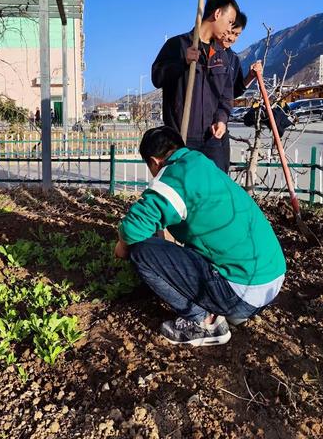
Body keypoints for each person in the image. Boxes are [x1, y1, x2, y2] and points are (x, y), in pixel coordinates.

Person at [115, 126, 286, 346]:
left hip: (242, 292)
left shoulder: (174, 178)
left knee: (142, 252)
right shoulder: (200, 163)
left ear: (154, 161)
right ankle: (230, 308)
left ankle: (204, 322)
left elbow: (132, 228)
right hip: (268, 281)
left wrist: (122, 246)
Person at [152, 0, 239, 174]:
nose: (230, 28)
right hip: (181, 139)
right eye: (230, 21)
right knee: (184, 191)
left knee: (214, 191)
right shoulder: (177, 45)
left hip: (212, 139)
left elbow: (226, 97)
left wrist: (222, 120)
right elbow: (157, 77)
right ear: (217, 14)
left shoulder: (223, 56)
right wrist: (182, 62)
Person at [219, 11, 262, 99]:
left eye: (236, 34)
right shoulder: (203, 51)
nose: (231, 38)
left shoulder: (233, 59)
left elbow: (234, 92)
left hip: (221, 112)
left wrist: (250, 76)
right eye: (230, 32)